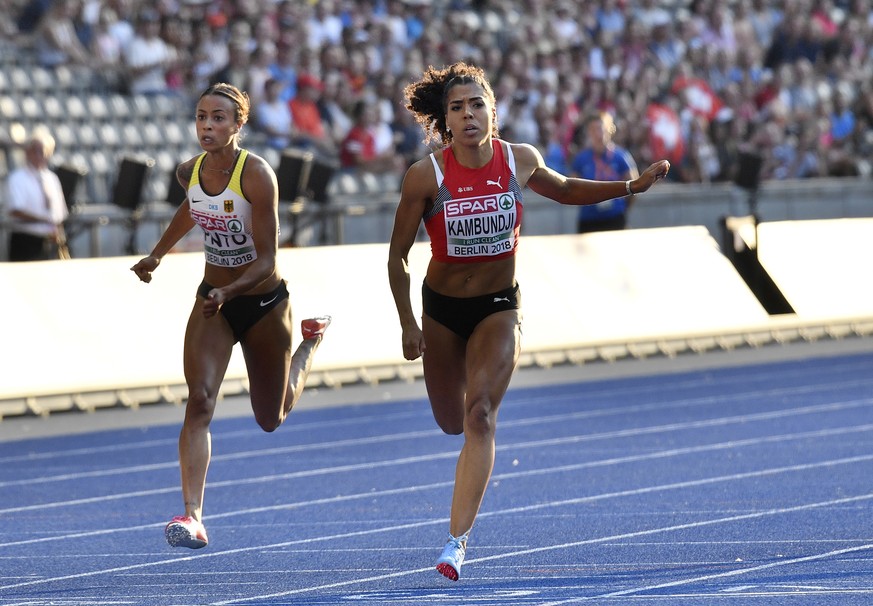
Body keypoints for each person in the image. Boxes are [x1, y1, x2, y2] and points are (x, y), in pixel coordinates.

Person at [386, 62, 669, 581]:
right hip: (442, 312)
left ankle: (456, 542)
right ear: (445, 122)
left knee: (481, 418)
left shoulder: (518, 160)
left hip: (499, 306)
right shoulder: (427, 176)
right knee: (452, 421)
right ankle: (464, 421)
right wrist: (408, 322)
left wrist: (630, 187)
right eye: (457, 107)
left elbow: (564, 189)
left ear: (494, 111)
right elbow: (398, 256)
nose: (468, 114)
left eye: (477, 105)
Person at [130, 83, 331, 549]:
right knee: (199, 401)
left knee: (271, 417)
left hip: (263, 302)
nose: (207, 126)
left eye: (219, 118)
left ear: (239, 124)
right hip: (213, 302)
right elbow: (192, 208)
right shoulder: (190, 170)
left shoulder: (257, 175)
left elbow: (267, 260)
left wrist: (231, 290)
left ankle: (311, 340)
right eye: (201, 116)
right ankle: (193, 515)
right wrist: (158, 255)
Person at [5, 127, 70, 262]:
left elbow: (59, 213)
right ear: (28, 152)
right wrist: (44, 220)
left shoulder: (51, 178)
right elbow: (15, 210)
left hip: (49, 242)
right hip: (25, 242)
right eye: (37, 151)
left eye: (45, 151)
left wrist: (57, 231)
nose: (41, 155)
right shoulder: (17, 178)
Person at [570, 111, 640, 233]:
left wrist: (622, 208)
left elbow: (634, 186)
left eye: (601, 129)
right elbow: (572, 189)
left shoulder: (621, 156)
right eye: (593, 130)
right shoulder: (581, 159)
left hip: (615, 218)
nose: (598, 134)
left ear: (609, 130)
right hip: (589, 221)